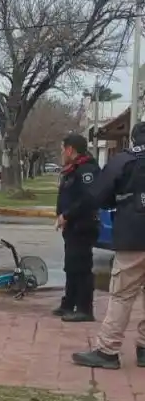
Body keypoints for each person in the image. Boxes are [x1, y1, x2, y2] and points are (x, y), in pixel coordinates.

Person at [72, 122, 145, 369]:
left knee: (122, 295)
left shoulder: (124, 160)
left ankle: (108, 350)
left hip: (134, 236)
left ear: (133, 139)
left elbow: (99, 195)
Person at [54, 133, 101, 323]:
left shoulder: (87, 170)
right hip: (72, 226)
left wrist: (67, 215)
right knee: (71, 266)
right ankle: (69, 303)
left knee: (82, 267)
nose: (61, 154)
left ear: (70, 150)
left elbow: (88, 199)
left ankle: (84, 308)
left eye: (62, 149)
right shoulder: (73, 169)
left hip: (83, 225)